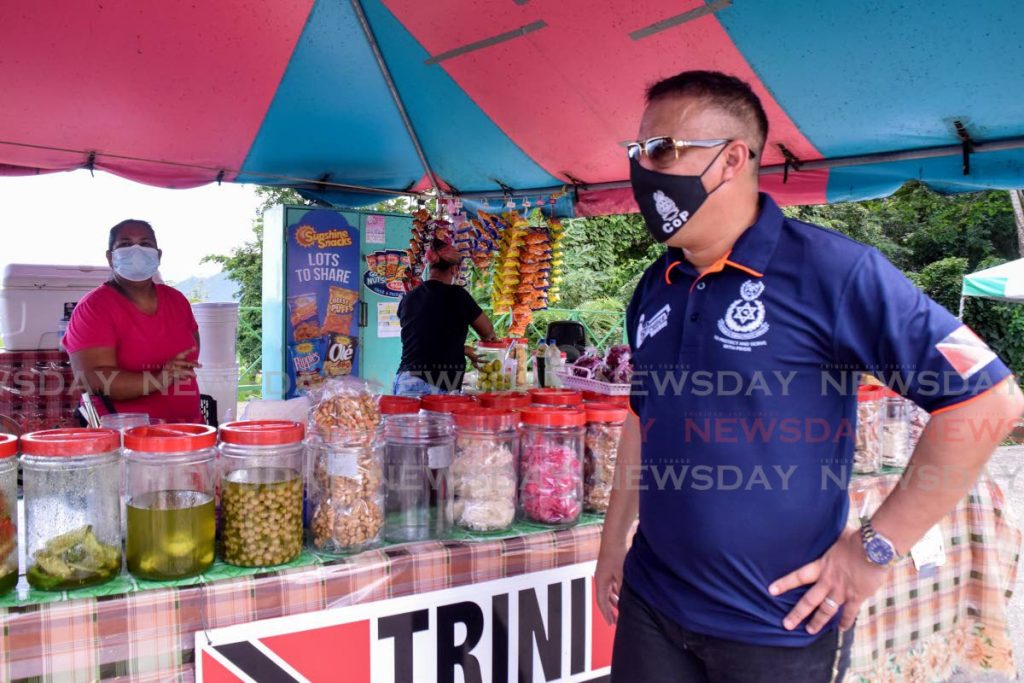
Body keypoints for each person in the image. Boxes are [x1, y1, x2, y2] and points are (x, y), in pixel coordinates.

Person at [595, 70, 1024, 682]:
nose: (643, 169)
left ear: (731, 159)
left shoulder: (835, 274)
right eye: (638, 152)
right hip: (651, 604)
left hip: (779, 627)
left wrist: (875, 548)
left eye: (663, 150)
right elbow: (644, 415)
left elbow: (989, 401)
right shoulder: (656, 284)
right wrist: (614, 542)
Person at [64, 219, 203, 423]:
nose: (136, 251)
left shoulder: (177, 300)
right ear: (110, 257)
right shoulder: (94, 307)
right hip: (125, 438)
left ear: (158, 255)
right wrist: (159, 379)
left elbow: (191, 351)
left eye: (145, 244)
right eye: (125, 244)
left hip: (187, 430)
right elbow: (93, 380)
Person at [394, 238, 497, 395]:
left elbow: (424, 338)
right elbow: (488, 332)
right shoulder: (458, 296)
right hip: (437, 384)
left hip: (406, 380)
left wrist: (462, 349)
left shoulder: (410, 297)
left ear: (430, 266)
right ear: (455, 270)